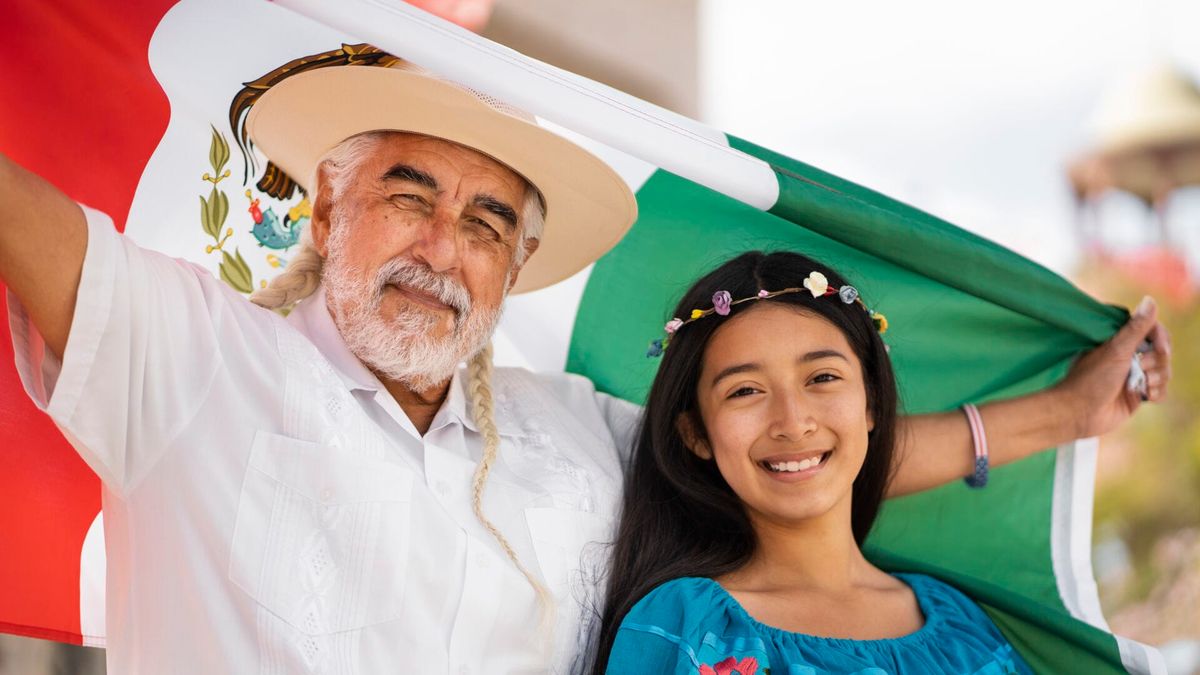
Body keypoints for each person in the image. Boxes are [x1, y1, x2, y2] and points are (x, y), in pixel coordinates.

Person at [0, 49, 1171, 673]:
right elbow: (32, 225)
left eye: (487, 224)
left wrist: (1059, 416)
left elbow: (795, 455)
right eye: (408, 196)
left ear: (517, 270)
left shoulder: (576, 431)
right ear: (323, 212)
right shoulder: (195, 358)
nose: (442, 248)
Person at [596, 251, 1035, 674]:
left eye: (822, 378)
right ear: (697, 434)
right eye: (745, 390)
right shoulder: (686, 627)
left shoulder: (959, 623)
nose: (792, 422)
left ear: (872, 403)